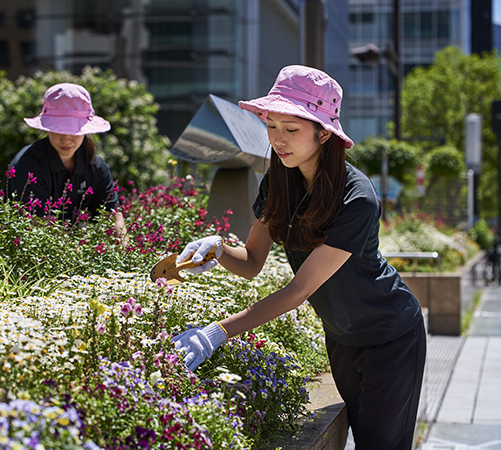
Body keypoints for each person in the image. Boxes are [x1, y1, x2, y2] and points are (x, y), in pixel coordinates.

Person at [172, 65, 426, 450]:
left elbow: (299, 290)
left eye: (291, 129)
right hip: (341, 338)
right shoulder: (277, 181)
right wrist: (219, 249)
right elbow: (252, 261)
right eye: (272, 126)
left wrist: (218, 333)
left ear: (324, 133)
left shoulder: (357, 197)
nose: (278, 139)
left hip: (390, 338)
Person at [8, 83, 126, 236]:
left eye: (74, 131)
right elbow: (43, 232)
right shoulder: (28, 166)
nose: (66, 139)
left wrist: (120, 247)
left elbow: (112, 217)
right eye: (59, 130)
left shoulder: (96, 167)